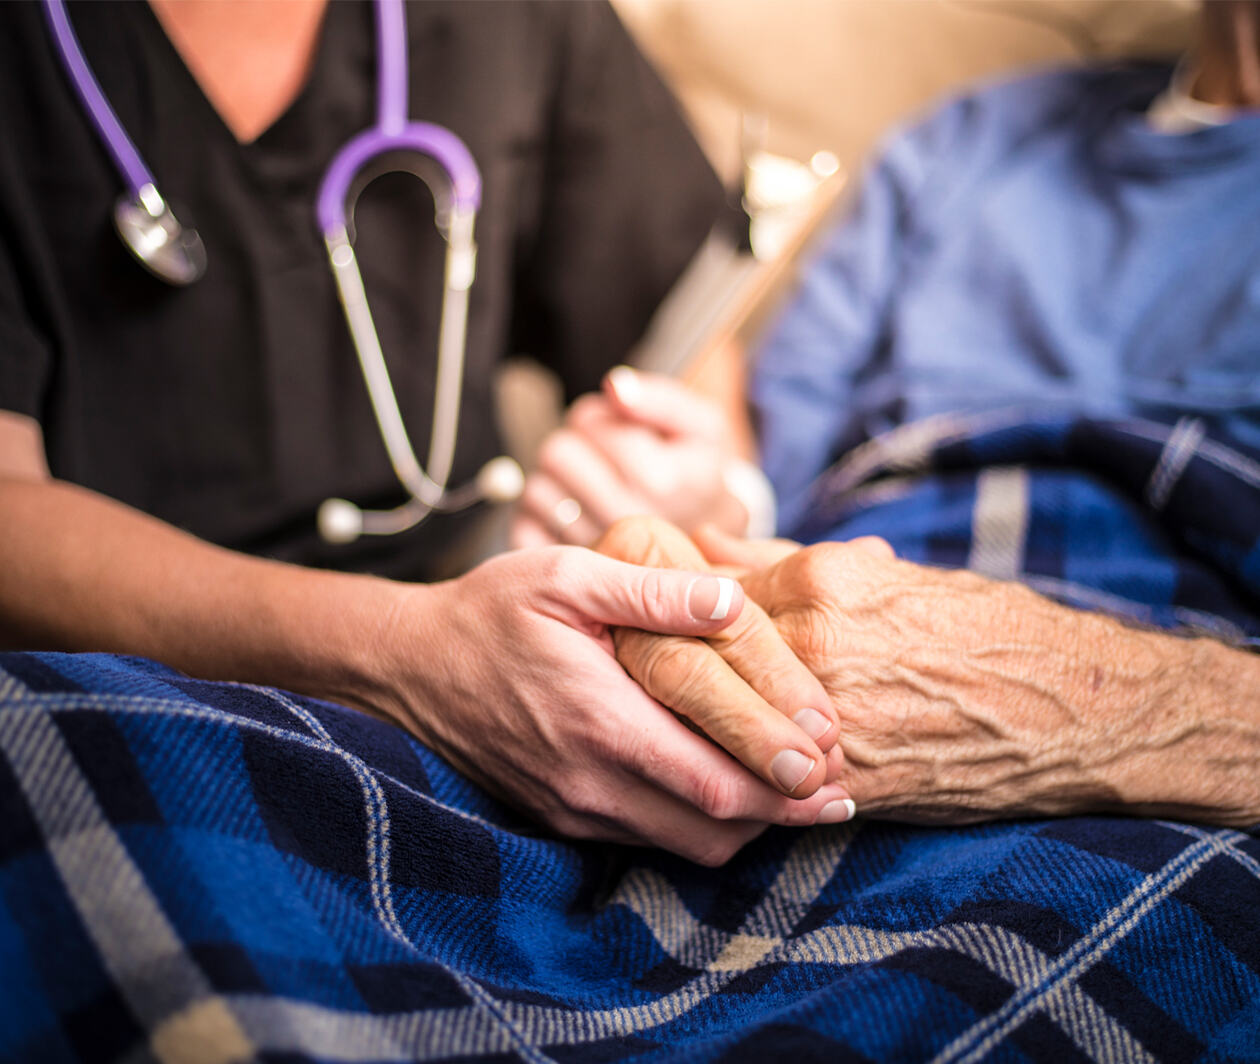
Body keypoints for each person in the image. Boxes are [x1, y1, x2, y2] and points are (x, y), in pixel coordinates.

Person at [0, 0, 858, 866]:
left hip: (501, 662)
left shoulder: (521, 24)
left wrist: (708, 487)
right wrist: (404, 654)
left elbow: (686, 343)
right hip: (122, 693)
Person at [519, 0, 1260, 826]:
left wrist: (1105, 706)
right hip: (830, 622)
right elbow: (776, 475)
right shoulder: (966, 140)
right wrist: (706, 504)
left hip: (1158, 724)